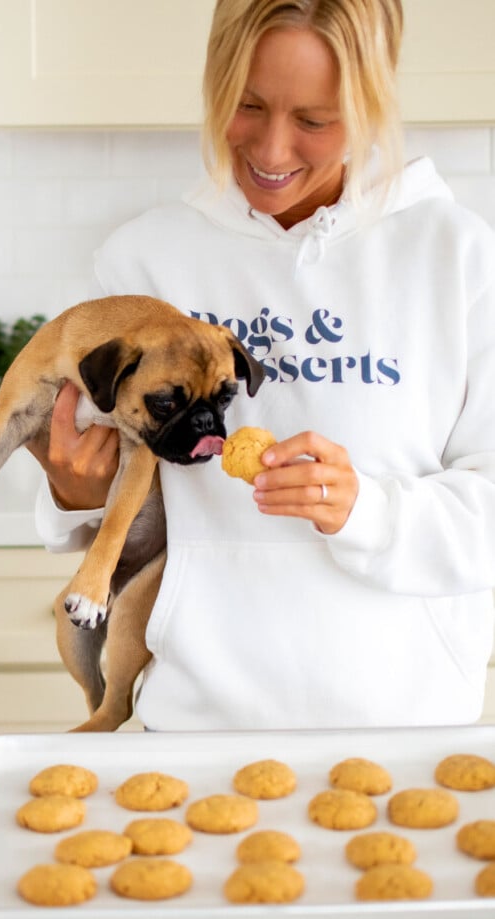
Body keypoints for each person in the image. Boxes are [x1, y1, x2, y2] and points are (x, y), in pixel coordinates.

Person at [28, 0, 495, 731]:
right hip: (190, 725)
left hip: (407, 728)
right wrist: (73, 488)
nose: (272, 152)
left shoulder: (459, 258)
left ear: (374, 101)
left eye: (313, 120)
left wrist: (363, 510)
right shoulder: (143, 259)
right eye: (246, 106)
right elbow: (111, 508)